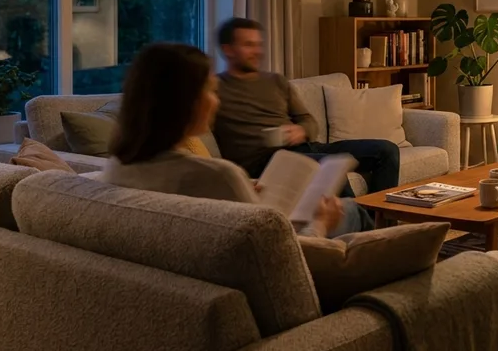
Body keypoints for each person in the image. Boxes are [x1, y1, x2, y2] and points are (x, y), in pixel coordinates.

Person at [98, 42, 371, 237]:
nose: (216, 102)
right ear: (187, 102)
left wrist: (243, 188)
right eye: (212, 91)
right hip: (291, 274)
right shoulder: (218, 175)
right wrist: (321, 223)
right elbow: (284, 259)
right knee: (351, 210)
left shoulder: (116, 167)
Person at [212, 18, 401, 193]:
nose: (257, 51)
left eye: (258, 45)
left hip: (307, 148)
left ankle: (379, 220)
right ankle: (358, 224)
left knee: (387, 151)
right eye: (248, 45)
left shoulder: (275, 81)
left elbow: (308, 120)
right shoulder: (215, 89)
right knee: (330, 167)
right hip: (268, 162)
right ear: (228, 49)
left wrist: (301, 130)